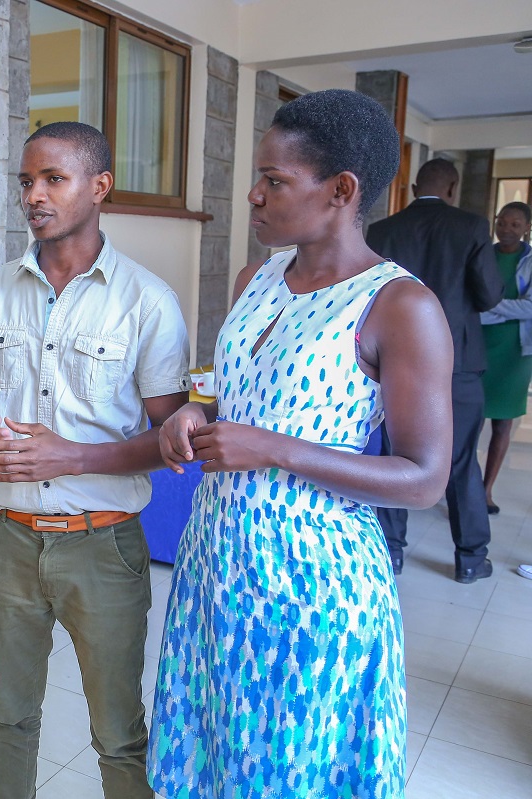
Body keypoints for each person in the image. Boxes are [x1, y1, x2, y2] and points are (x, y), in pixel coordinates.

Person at [150, 89, 453, 798]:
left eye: (275, 181)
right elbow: (248, 396)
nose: (253, 195)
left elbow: (425, 477)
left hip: (313, 584)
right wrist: (194, 414)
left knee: (289, 768)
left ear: (341, 191)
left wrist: (276, 448)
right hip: (218, 564)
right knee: (218, 749)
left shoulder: (399, 305)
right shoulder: (257, 279)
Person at [0, 121, 190, 799]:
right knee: (9, 718)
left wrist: (72, 452)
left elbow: (173, 434)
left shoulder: (147, 301)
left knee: (119, 732)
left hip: (104, 544)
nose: (34, 194)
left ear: (99, 186)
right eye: (26, 181)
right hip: (9, 541)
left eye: (53, 178)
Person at [365, 157, 504, 583]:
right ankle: (470, 557)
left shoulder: (384, 229)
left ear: (412, 189)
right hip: (458, 361)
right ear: (452, 188)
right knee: (460, 459)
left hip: (392, 362)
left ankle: (391, 552)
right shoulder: (471, 227)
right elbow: (490, 295)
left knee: (395, 455)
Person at [480, 202, 532, 515]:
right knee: (469, 421)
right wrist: (502, 308)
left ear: (527, 227)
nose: (507, 229)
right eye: (502, 222)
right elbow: (472, 298)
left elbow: (530, 308)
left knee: (502, 423)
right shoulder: (484, 254)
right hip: (480, 345)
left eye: (515, 224)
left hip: (515, 351)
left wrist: (493, 308)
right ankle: (466, 484)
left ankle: (486, 490)